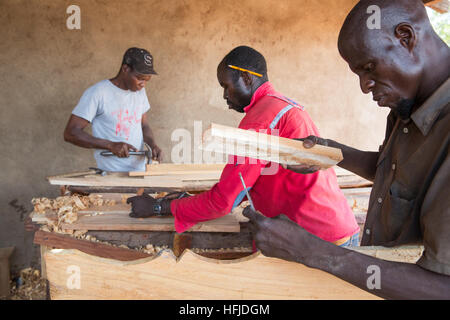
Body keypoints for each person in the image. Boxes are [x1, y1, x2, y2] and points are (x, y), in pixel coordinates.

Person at [243, 0, 450, 299]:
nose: (365, 86)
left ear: (405, 37)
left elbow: (443, 288)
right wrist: (330, 152)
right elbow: (393, 170)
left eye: (368, 68)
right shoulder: (407, 102)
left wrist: (312, 251)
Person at [127, 46, 360, 247]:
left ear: (247, 79)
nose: (224, 95)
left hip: (318, 239)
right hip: (333, 228)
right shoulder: (282, 106)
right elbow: (253, 183)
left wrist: (159, 207)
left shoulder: (259, 120)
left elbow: (223, 202)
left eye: (226, 85)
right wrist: (189, 198)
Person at [63, 47, 163, 172]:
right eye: (140, 78)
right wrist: (110, 145)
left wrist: (152, 145)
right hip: (111, 175)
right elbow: (71, 133)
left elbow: (144, 125)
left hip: (139, 172)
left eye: (147, 80)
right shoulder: (98, 93)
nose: (143, 84)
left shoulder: (139, 92)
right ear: (125, 69)